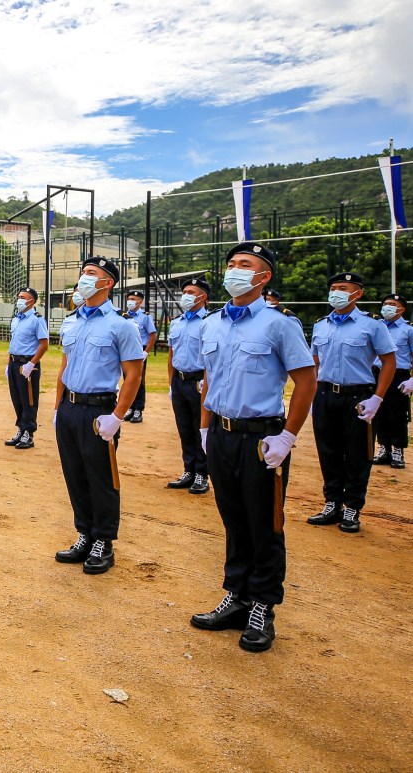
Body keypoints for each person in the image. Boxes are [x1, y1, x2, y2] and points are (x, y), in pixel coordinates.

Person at [191, 242, 317, 653]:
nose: (234, 270)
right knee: (233, 519)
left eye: (244, 264)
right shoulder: (213, 323)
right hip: (222, 435)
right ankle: (237, 596)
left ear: (263, 277)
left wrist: (287, 437)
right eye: (231, 263)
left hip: (263, 440)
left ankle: (263, 605)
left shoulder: (280, 324)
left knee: (265, 523)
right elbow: (210, 379)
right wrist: (206, 429)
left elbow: (306, 382)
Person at [53, 257, 144, 574]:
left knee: (101, 478)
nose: (83, 278)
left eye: (91, 273)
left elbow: (133, 375)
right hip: (70, 407)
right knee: (74, 474)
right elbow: (64, 367)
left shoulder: (122, 325)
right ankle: (85, 534)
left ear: (108, 283)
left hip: (99, 411)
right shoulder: (72, 322)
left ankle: (103, 541)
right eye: (83, 272)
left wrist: (117, 417)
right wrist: (57, 408)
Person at [307, 272, 396, 533]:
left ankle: (352, 507)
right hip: (325, 394)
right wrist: (313, 395)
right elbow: (315, 363)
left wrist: (377, 397)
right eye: (333, 288)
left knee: (358, 454)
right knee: (328, 451)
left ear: (357, 293)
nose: (336, 292)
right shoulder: (321, 325)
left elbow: (389, 361)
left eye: (343, 288)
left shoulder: (372, 325)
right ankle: (332, 502)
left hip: (358, 398)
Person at [166, 278, 211, 495]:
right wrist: (171, 383)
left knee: (200, 428)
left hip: (199, 382)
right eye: (184, 291)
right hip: (180, 381)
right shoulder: (177, 322)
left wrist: (206, 381)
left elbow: (212, 356)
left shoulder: (209, 322)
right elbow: (171, 354)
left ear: (203, 297)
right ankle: (188, 470)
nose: (186, 295)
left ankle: (202, 473)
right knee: (184, 428)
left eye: (191, 292)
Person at [4, 286, 49, 449]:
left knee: (28, 399)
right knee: (16, 398)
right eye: (19, 297)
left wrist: (32, 363)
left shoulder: (37, 320)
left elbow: (44, 344)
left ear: (32, 301)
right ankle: (21, 429)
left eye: (23, 297)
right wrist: (8, 364)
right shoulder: (16, 319)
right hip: (14, 362)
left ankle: (29, 433)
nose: (19, 300)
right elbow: (13, 344)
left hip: (28, 364)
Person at [372, 294, 413, 469]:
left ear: (402, 309)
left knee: (397, 414)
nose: (387, 307)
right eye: (385, 304)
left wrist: (412, 380)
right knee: (378, 411)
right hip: (377, 373)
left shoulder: (408, 330)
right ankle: (384, 448)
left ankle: (398, 450)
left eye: (392, 304)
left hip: (399, 376)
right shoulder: (377, 327)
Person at [122, 289, 156, 423]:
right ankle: (130, 407)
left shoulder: (145, 317)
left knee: (138, 380)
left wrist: (145, 352)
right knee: (127, 380)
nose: (130, 301)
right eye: (129, 299)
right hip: (126, 350)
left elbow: (153, 335)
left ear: (140, 302)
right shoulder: (124, 316)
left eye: (134, 299)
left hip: (139, 351)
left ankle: (138, 409)